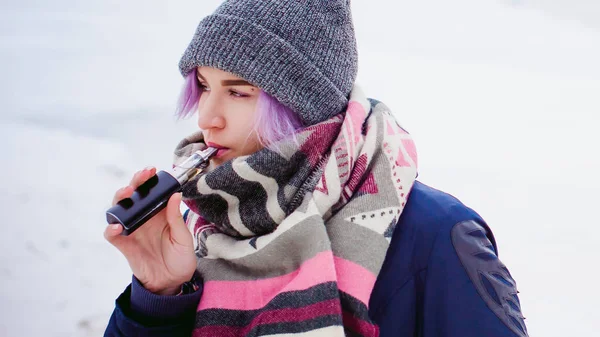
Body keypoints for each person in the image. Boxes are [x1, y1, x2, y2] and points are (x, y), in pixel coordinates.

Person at [103, 1, 528, 336]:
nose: (206, 117)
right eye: (204, 87)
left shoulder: (436, 235)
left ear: (299, 106)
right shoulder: (200, 222)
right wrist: (158, 299)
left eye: (238, 93)